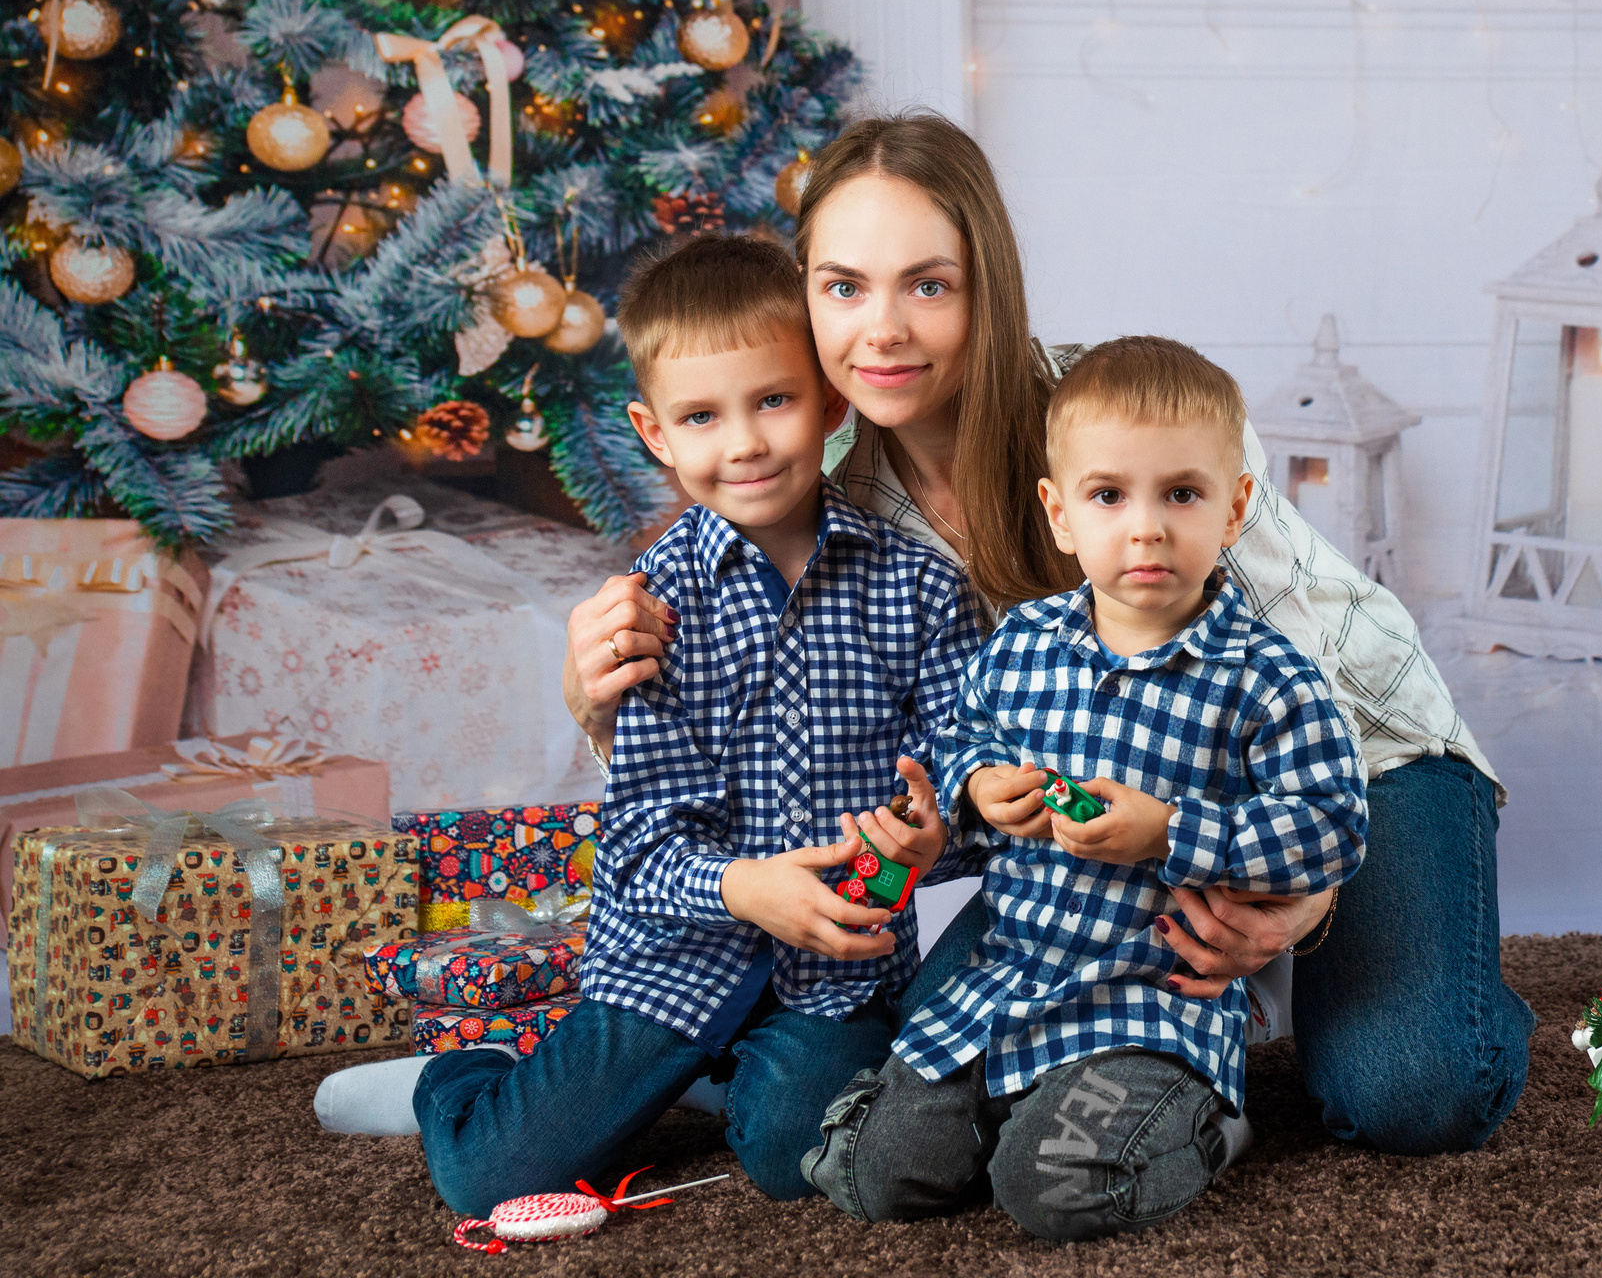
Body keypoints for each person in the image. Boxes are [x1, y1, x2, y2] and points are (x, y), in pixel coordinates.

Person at [567, 112, 1533, 1156]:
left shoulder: (1123, 409)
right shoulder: (832, 511)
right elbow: (787, 739)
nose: (881, 330)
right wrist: (597, 703)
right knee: (925, 1072)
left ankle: (1432, 979)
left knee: (1410, 1088)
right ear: (805, 296)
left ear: (986, 285)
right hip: (1101, 843)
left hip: (1355, 761)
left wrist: (1302, 899)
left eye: (926, 284)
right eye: (845, 287)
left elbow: (1308, 675)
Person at [383, 233, 981, 1218]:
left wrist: (935, 831)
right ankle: (483, 1062)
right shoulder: (647, 608)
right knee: (485, 1178)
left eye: (773, 401)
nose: (742, 442)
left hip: (832, 967)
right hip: (669, 959)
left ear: (831, 402)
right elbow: (640, 847)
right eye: (701, 415)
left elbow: (962, 763)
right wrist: (744, 886)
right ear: (654, 432)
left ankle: (731, 1078)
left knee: (797, 1155)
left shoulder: (915, 586)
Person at [801, 337, 1368, 1241]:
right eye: (1110, 496)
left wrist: (1174, 833)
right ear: (1060, 514)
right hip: (1011, 981)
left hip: (1148, 1001)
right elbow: (960, 751)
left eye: (1182, 494)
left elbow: (1331, 827)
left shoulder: (1265, 677)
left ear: (1235, 508)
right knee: (876, 1174)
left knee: (1054, 1190)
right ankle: (1004, 1116)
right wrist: (975, 797)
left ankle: (1210, 1124)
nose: (1146, 527)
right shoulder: (1022, 645)